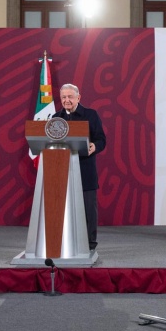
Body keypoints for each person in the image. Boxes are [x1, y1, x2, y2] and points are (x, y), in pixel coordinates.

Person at [54, 83, 106, 252]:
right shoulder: (56, 117)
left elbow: (101, 139)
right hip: (62, 169)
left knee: (88, 208)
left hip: (85, 169)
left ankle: (90, 244)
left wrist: (94, 146)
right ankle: (65, 242)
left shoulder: (91, 115)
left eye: (70, 97)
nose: (66, 100)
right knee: (65, 208)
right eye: (63, 97)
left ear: (78, 97)